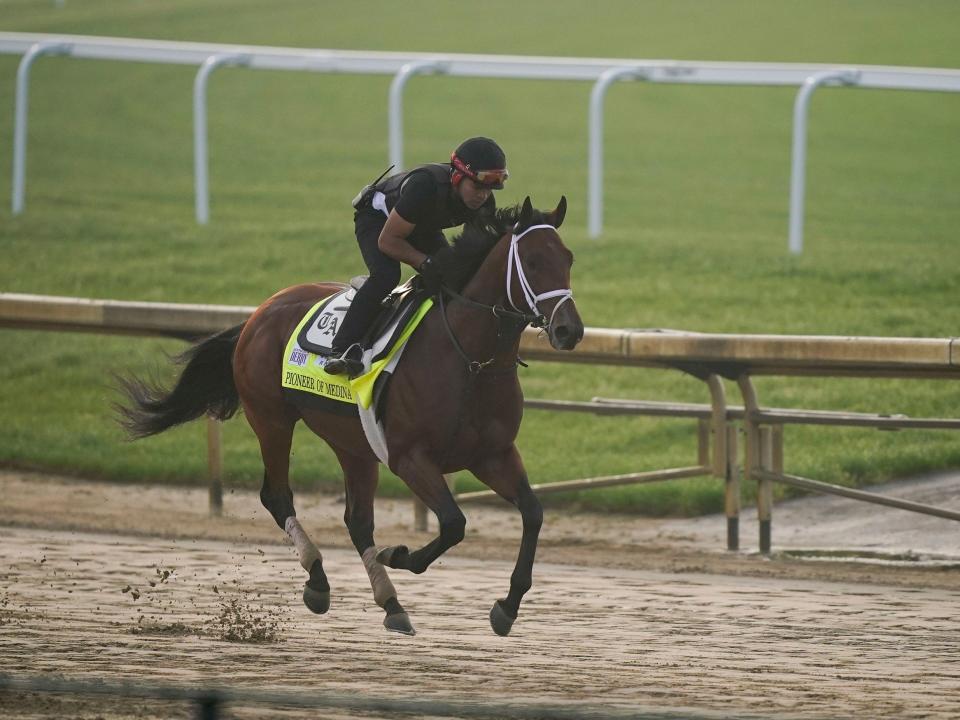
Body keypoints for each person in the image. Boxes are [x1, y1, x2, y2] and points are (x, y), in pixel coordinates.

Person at [324, 136, 509, 377]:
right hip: (378, 221)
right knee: (387, 275)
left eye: (489, 189)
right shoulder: (424, 186)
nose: (483, 196)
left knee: (451, 277)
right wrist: (424, 262)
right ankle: (340, 349)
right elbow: (388, 241)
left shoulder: (483, 202)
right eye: (477, 187)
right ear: (456, 177)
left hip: (421, 224)